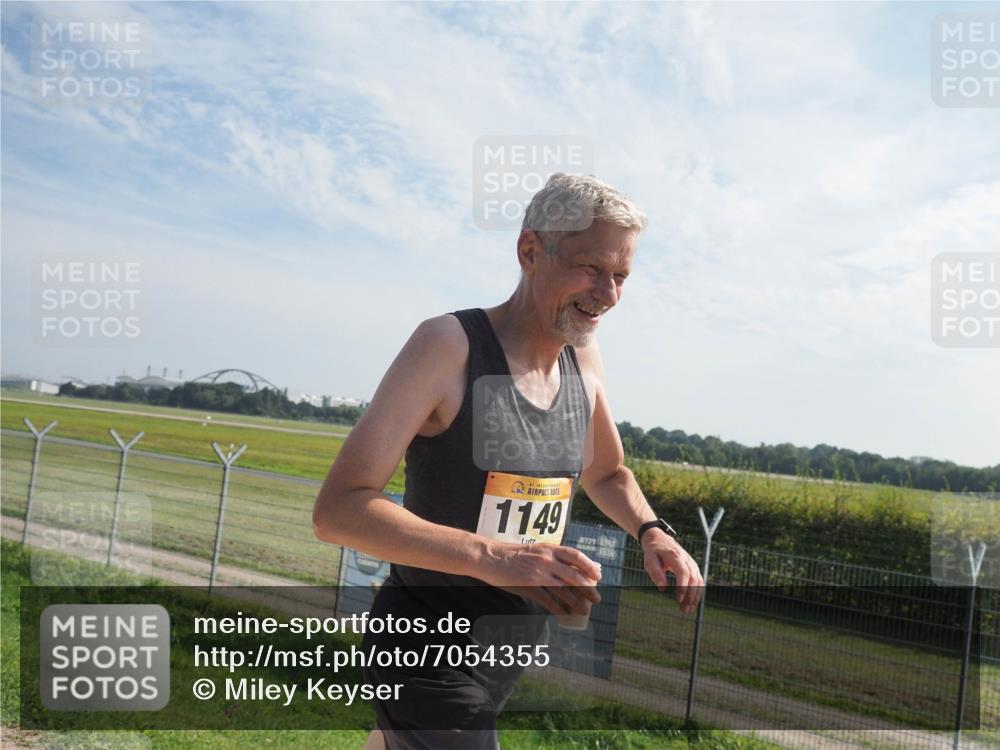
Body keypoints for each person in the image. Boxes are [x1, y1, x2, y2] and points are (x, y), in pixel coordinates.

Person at [312, 173, 705, 749]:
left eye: (621, 276)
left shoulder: (583, 360)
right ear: (529, 251)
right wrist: (493, 556)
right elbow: (338, 511)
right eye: (592, 269)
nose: (609, 294)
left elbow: (606, 471)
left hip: (503, 650)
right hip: (423, 642)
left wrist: (651, 530)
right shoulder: (449, 346)